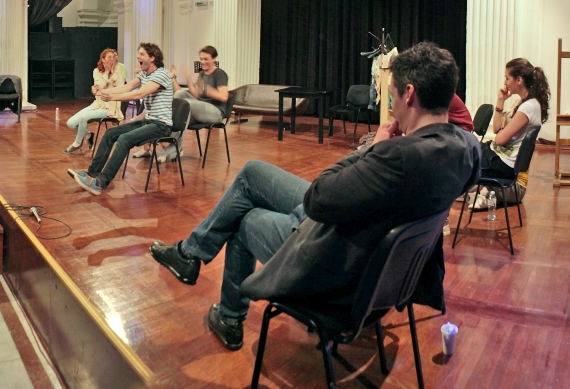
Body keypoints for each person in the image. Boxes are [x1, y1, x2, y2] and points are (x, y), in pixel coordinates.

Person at [147, 42, 481, 350]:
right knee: (251, 173)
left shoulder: (398, 157)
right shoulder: (466, 149)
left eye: (391, 97)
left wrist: (373, 149)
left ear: (409, 94)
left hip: (337, 261)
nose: (391, 108)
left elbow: (318, 198)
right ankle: (190, 254)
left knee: (245, 219)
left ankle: (229, 316)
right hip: (374, 254)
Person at [68, 43, 176, 196]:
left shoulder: (161, 74)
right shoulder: (144, 74)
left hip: (161, 125)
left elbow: (139, 94)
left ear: (152, 58)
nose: (137, 56)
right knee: (110, 133)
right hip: (149, 121)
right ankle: (91, 173)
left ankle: (100, 183)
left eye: (142, 54)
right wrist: (103, 91)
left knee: (124, 139)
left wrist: (112, 97)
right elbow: (127, 87)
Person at [480, 57, 548, 191]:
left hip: (505, 164)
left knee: (464, 156)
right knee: (467, 150)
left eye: (507, 78)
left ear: (519, 80)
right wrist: (501, 100)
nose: (505, 83)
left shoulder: (528, 107)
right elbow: (496, 129)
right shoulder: (522, 102)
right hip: (499, 156)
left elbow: (499, 139)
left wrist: (502, 131)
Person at [63, 48, 126, 154]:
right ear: (103, 59)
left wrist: (112, 72)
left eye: (113, 57)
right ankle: (88, 135)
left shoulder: (118, 70)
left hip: (110, 107)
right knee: (71, 123)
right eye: (109, 57)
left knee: (84, 117)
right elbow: (99, 87)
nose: (111, 59)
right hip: (97, 104)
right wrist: (106, 72)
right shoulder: (96, 71)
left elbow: (120, 87)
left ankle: (77, 143)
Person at [173, 45, 230, 156]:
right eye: (201, 59)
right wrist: (188, 78)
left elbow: (224, 97)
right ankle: (174, 142)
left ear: (213, 59)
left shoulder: (220, 74)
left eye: (206, 59)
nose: (202, 62)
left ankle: (175, 146)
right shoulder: (202, 73)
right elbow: (196, 95)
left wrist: (208, 90)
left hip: (216, 112)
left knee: (187, 104)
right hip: (202, 106)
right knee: (179, 94)